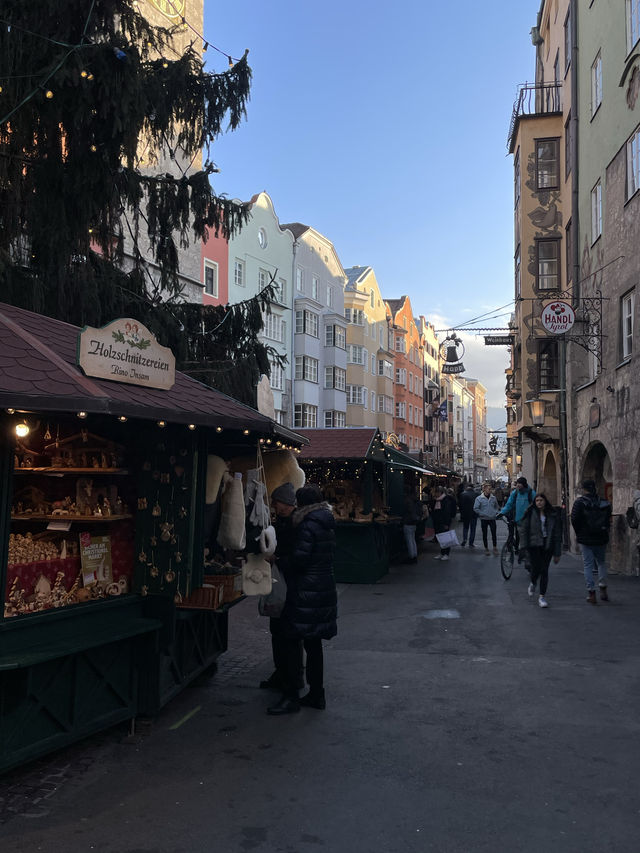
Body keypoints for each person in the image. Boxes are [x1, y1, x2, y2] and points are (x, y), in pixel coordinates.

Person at [267, 484, 337, 715]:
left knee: (291, 641)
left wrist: (277, 560)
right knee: (314, 644)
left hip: (304, 591)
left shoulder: (307, 524)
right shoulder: (325, 521)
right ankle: (317, 694)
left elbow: (300, 560)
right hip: (322, 589)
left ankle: (291, 697)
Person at [260, 482, 301, 693]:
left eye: (277, 502)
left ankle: (290, 681)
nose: (275, 506)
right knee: (278, 632)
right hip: (284, 585)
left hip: (290, 588)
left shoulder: (294, 525)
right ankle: (282, 673)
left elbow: (297, 558)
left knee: (287, 635)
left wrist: (277, 560)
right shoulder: (284, 522)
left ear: (286, 503)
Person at [571, 479, 612, 604]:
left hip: (586, 538)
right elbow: (608, 520)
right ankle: (603, 587)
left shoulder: (580, 502)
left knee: (588, 565)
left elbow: (574, 519)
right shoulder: (604, 503)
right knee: (601, 563)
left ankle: (591, 592)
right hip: (601, 536)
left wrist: (579, 533)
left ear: (584, 489)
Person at [518, 493, 561, 608]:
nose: (539, 502)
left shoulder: (552, 514)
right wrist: (523, 546)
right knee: (536, 568)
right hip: (534, 545)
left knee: (544, 571)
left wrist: (557, 553)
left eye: (541, 500)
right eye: (537, 500)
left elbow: (557, 534)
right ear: (534, 502)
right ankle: (533, 583)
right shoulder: (530, 513)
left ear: (545, 501)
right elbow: (524, 530)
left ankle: (542, 596)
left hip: (547, 546)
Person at [499, 476, 536, 553]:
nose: (518, 486)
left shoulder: (531, 493)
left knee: (526, 538)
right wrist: (502, 513)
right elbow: (509, 504)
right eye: (517, 484)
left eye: (520, 484)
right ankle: (519, 549)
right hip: (518, 520)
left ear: (524, 484)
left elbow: (536, 505)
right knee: (518, 535)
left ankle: (526, 552)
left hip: (528, 520)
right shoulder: (515, 493)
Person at [430, 486, 457, 561]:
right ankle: (442, 553)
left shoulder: (445, 500)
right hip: (437, 522)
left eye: (437, 492)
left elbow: (447, 513)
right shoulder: (436, 500)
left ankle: (446, 554)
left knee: (446, 538)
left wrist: (446, 524)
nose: (435, 494)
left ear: (440, 492)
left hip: (444, 522)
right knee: (440, 537)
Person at [473, 483, 500, 555]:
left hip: (492, 518)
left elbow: (497, 506)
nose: (490, 490)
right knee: (484, 534)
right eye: (489, 489)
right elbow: (475, 508)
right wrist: (482, 514)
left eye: (491, 489)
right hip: (484, 519)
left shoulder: (493, 498)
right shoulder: (479, 498)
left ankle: (495, 548)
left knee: (494, 534)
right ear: (484, 489)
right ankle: (486, 548)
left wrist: (495, 512)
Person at [401, 484, 423, 564]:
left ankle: (411, 556)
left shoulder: (407, 500)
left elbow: (408, 511)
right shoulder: (415, 500)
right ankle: (414, 555)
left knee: (409, 540)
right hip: (414, 522)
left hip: (408, 521)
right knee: (412, 540)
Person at [458, 482, 478, 548]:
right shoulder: (476, 494)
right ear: (473, 488)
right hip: (474, 514)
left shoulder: (462, 494)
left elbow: (460, 505)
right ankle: (471, 543)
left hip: (465, 514)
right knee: (473, 529)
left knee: (465, 528)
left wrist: (461, 513)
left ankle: (464, 539)